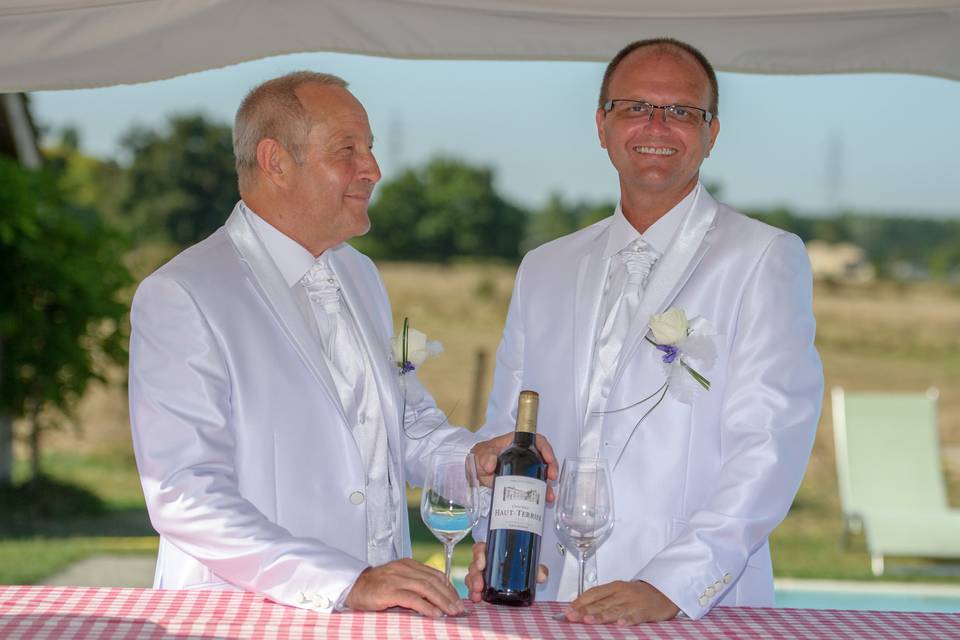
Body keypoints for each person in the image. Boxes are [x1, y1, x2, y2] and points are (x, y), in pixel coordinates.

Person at [128, 71, 552, 617]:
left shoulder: (359, 274)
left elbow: (400, 422)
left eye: (370, 148)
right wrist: (345, 580)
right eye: (347, 150)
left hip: (375, 617)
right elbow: (185, 494)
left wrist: (472, 460)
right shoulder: (184, 294)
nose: (373, 169)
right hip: (245, 617)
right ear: (276, 161)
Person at [465, 38, 823, 624]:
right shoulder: (545, 268)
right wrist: (499, 544)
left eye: (682, 111)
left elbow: (770, 446)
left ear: (712, 132)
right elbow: (509, 433)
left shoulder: (763, 258)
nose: (657, 125)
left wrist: (672, 584)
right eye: (634, 107)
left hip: (694, 607)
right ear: (602, 124)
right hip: (547, 595)